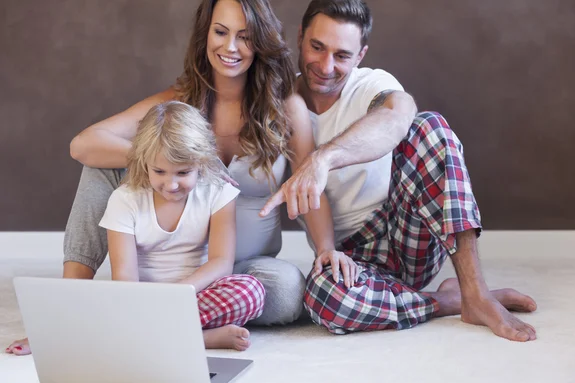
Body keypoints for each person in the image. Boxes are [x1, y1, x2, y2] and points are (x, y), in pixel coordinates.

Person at [7, 0, 346, 356]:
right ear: (205, 35)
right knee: (101, 166)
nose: (230, 47)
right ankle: (69, 309)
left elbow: (310, 181)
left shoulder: (284, 107)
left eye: (244, 37)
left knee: (287, 289)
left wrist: (326, 248)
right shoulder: (178, 104)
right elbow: (83, 144)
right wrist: (171, 158)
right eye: (220, 32)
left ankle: (129, 324)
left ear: (260, 42)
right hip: (172, 265)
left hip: (234, 270)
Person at [260, 0, 539, 342]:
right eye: (317, 47)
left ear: (360, 56)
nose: (325, 65)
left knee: (429, 127)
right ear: (301, 36)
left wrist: (324, 158)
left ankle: (476, 291)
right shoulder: (286, 104)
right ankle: (447, 301)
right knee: (323, 297)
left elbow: (399, 113)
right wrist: (326, 251)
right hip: (351, 256)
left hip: (406, 227)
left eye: (342, 55)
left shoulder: (371, 84)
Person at [102, 101, 264, 351]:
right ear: (144, 162)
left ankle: (147, 336)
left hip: (194, 294)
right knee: (104, 307)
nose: (171, 184)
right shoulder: (125, 199)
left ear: (202, 162)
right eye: (160, 171)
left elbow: (221, 262)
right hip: (143, 299)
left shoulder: (218, 193)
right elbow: (124, 277)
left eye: (183, 173)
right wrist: (146, 304)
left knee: (250, 291)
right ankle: (199, 339)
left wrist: (178, 293)